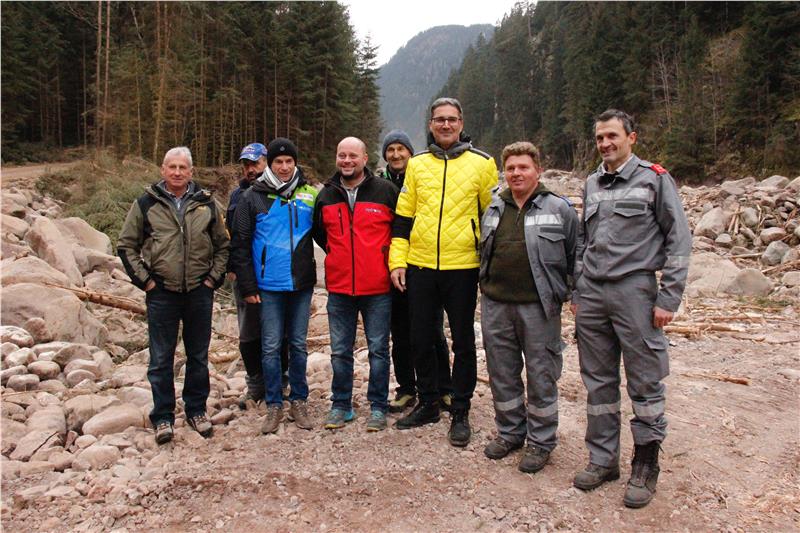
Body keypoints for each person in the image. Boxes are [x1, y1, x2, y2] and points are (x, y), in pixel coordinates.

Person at [572, 109, 691, 508]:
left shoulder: (654, 179)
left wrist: (668, 297)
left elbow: (679, 239)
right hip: (593, 293)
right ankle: (603, 460)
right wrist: (578, 289)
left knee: (644, 381)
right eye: (600, 138)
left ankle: (645, 464)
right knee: (598, 382)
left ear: (631, 138)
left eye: (612, 136)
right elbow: (584, 241)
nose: (605, 143)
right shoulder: (592, 182)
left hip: (635, 291)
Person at [389, 97, 497, 446]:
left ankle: (460, 409)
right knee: (420, 337)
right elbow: (403, 217)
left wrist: (489, 266)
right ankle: (429, 402)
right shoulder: (417, 165)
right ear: (431, 124)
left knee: (463, 341)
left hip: (463, 266)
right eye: (440, 119)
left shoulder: (483, 163)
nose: (446, 125)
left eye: (452, 119)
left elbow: (492, 219)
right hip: (420, 264)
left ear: (461, 123)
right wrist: (397, 261)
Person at [118, 146, 229, 444]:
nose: (177, 172)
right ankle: (163, 416)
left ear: (191, 172)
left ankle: (196, 410)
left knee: (198, 356)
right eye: (172, 167)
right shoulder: (146, 203)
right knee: (161, 358)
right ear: (163, 170)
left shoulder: (206, 203)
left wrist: (212, 279)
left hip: (199, 291)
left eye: (183, 168)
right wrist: (146, 282)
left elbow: (223, 246)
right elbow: (126, 245)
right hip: (162, 292)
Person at [479, 141, 578, 473]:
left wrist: (573, 295)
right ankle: (510, 433)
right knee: (502, 373)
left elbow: (575, 256)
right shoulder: (494, 208)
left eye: (523, 167)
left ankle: (541, 441)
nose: (516, 173)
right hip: (496, 305)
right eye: (510, 168)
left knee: (541, 374)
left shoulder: (559, 208)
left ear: (538, 170)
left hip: (539, 308)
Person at [230, 137, 318, 433]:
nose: (284, 166)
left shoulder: (308, 194)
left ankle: (299, 400)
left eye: (289, 161)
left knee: (298, 345)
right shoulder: (252, 197)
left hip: (301, 284)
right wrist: (248, 286)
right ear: (270, 164)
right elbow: (240, 244)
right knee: (270, 346)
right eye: (278, 162)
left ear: (295, 163)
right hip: (268, 285)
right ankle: (274, 404)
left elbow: (325, 235)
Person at [313, 137, 398, 432]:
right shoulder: (326, 195)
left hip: (377, 286)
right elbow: (320, 234)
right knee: (340, 351)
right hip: (339, 287)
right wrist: (338, 256)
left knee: (378, 350)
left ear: (364, 159)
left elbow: (399, 231)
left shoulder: (385, 191)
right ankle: (341, 405)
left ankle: (378, 406)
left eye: (353, 156)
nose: (347, 161)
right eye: (342, 155)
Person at [377, 130, 453, 413]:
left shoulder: (425, 177)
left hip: (425, 263)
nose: (396, 154)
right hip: (392, 264)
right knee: (400, 331)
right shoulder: (378, 184)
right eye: (391, 150)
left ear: (411, 152)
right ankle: (407, 388)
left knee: (433, 329)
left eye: (401, 149)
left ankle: (443, 388)